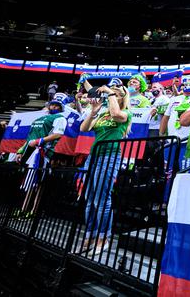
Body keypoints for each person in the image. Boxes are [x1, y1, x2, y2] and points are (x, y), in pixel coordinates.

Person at [79, 84, 132, 255]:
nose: (113, 93)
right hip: (93, 157)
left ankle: (103, 237)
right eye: (112, 92)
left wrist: (109, 92)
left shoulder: (126, 114)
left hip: (109, 157)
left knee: (101, 199)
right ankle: (89, 235)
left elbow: (116, 114)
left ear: (122, 98)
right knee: (89, 199)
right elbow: (84, 128)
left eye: (117, 93)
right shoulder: (102, 114)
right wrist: (94, 111)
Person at [14, 93, 68, 218]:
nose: (54, 107)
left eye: (57, 105)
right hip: (31, 153)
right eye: (52, 104)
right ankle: (23, 209)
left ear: (61, 107)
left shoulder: (60, 118)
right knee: (30, 181)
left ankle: (33, 211)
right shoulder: (39, 119)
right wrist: (20, 151)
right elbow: (30, 138)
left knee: (39, 184)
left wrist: (39, 141)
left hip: (44, 153)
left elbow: (58, 134)